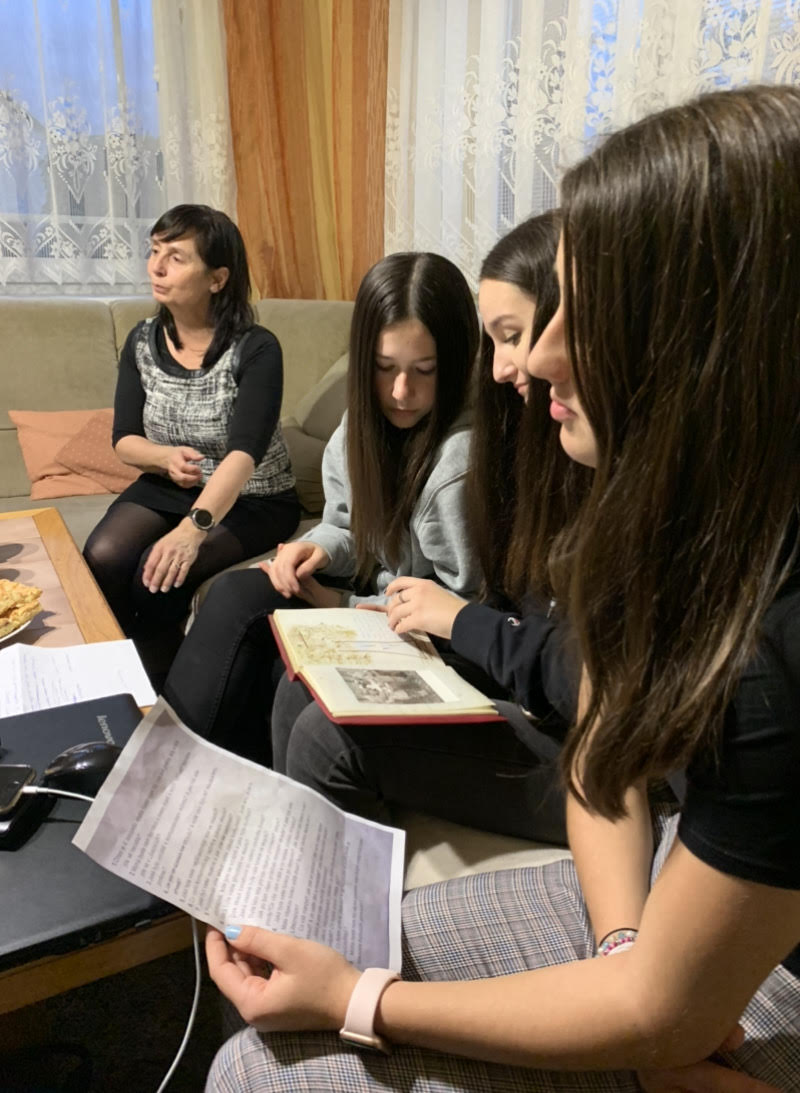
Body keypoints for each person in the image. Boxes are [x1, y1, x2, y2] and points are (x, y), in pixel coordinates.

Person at [204, 85, 800, 1092]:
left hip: (789, 980)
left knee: (255, 1072)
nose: (535, 357)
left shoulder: (791, 644)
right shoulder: (692, 531)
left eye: (590, 313)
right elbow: (605, 745)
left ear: (723, 339)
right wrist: (625, 945)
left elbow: (662, 1014)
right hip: (678, 887)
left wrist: (358, 1000)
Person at [269, 213, 582, 843]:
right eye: (497, 341)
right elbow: (348, 526)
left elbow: (561, 669)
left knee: (328, 735)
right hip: (514, 665)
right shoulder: (545, 440)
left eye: (514, 337)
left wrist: (360, 608)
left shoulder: (472, 459)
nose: (504, 368)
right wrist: (318, 549)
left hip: (552, 717)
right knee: (293, 681)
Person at [162, 251, 481, 762]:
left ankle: (167, 767)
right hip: (373, 600)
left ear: (458, 362)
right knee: (240, 593)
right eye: (383, 368)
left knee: (270, 653)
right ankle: (174, 765)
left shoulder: (456, 467)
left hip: (423, 635)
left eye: (425, 370)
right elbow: (348, 525)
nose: (401, 392)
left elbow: (461, 617)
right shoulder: (363, 424)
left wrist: (340, 605)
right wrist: (319, 550)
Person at [83, 204, 299, 664]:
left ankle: (164, 685)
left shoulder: (257, 348)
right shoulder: (141, 341)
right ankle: (117, 667)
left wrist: (193, 528)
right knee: (102, 554)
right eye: (154, 251)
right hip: (172, 485)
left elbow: (244, 455)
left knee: (158, 575)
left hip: (254, 498)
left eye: (176, 257)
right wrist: (162, 458)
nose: (156, 267)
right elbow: (124, 439)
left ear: (217, 279)